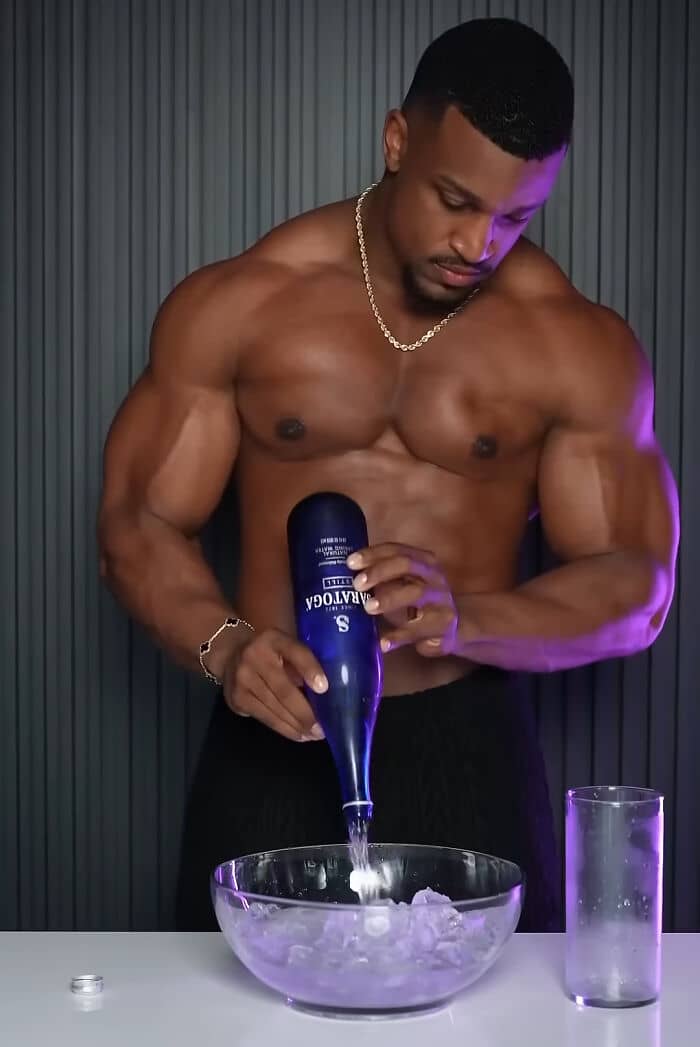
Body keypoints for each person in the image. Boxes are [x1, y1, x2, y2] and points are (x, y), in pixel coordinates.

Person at [97, 18, 679, 932]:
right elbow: (138, 521)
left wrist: (469, 618)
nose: (478, 242)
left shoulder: (571, 344)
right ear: (397, 140)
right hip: (276, 728)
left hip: (467, 739)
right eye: (455, 199)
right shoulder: (245, 303)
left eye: (515, 217)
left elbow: (637, 585)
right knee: (228, 1004)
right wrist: (226, 646)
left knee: (504, 1006)